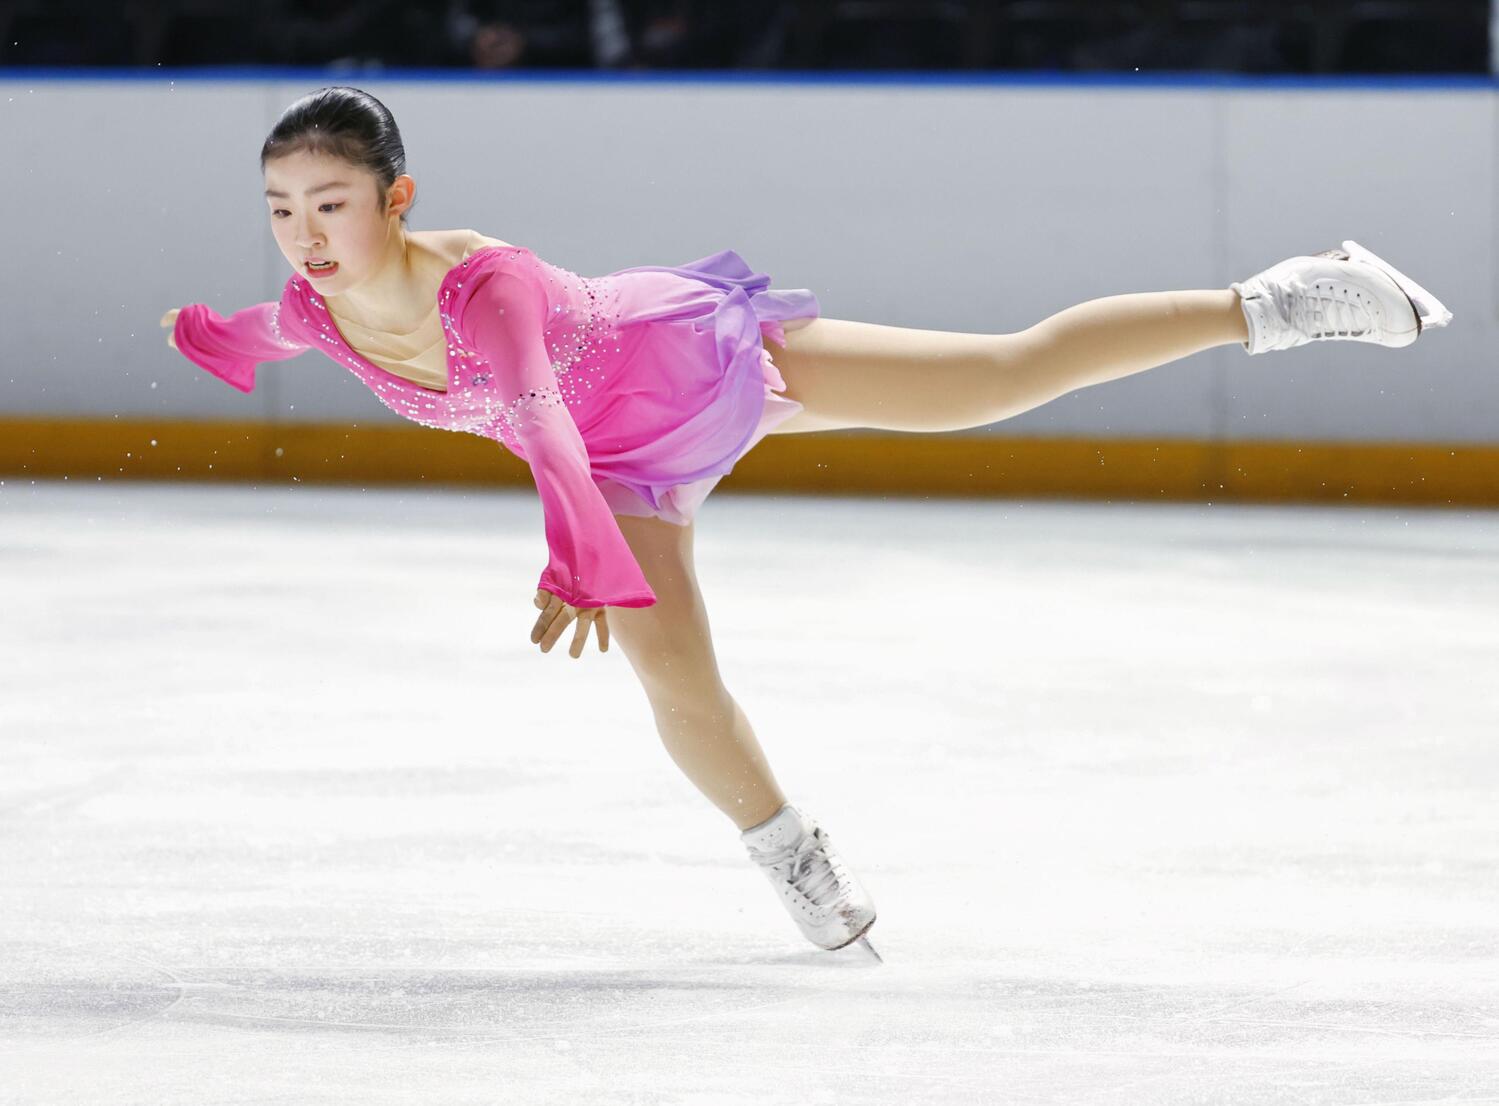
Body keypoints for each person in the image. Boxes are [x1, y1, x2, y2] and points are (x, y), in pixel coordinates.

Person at [160, 85, 1452, 956]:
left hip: (691, 370)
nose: (304, 236)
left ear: (396, 197)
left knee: (995, 377)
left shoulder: (480, 285)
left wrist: (575, 560)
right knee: (679, 682)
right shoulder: (319, 309)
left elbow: (543, 416)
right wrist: (200, 333)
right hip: (634, 469)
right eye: (279, 209)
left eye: (329, 203)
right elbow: (256, 328)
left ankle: (1287, 298)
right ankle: (795, 855)